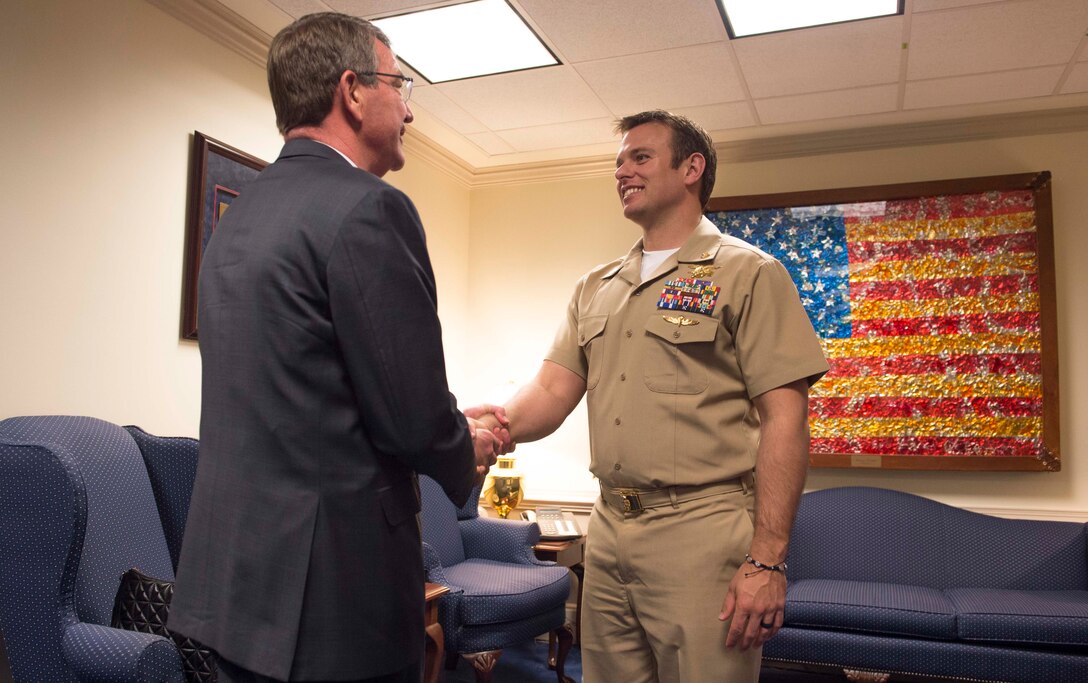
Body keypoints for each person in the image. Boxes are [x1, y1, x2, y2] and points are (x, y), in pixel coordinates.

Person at [168, 12, 498, 683]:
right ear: (352, 91)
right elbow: (411, 413)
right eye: (399, 86)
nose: (408, 110)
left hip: (231, 595)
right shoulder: (371, 208)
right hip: (335, 606)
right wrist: (467, 445)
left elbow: (307, 398)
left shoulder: (237, 220)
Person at [474, 110, 829, 682]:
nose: (623, 170)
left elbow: (785, 420)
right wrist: (487, 425)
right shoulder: (597, 286)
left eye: (640, 157)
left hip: (702, 530)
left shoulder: (749, 273)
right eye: (619, 160)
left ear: (692, 168)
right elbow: (548, 391)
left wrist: (767, 559)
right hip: (610, 532)